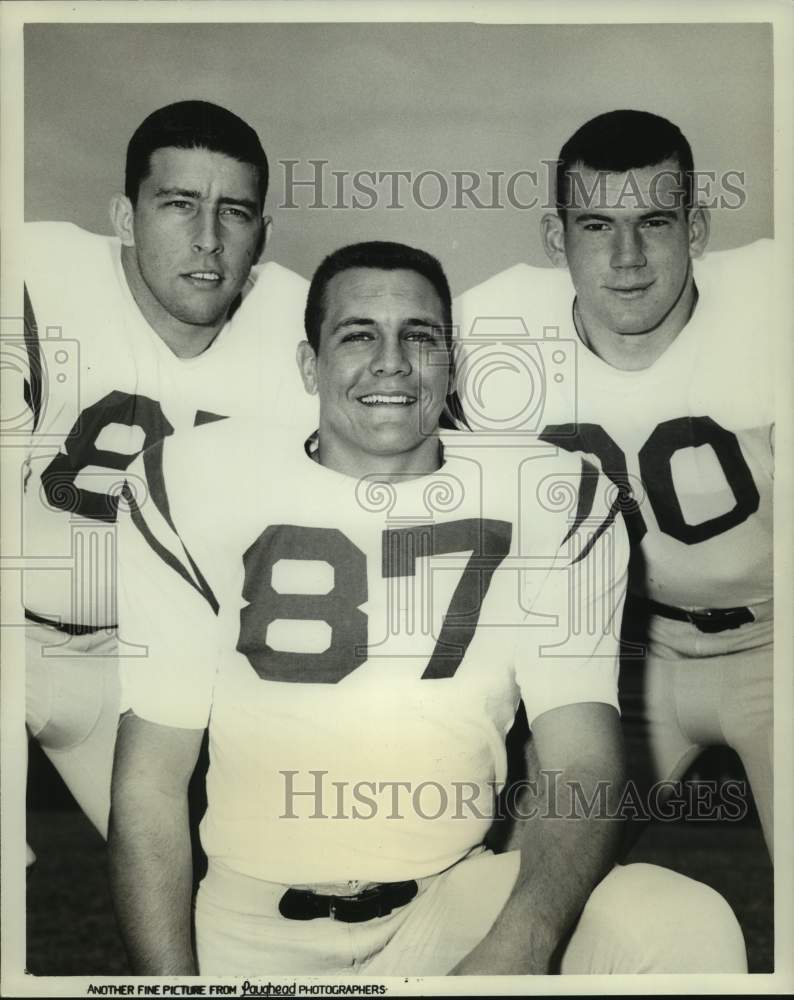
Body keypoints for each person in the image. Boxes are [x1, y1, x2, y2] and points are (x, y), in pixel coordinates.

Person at [109, 240, 746, 976]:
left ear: (452, 364)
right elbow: (150, 779)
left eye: (420, 336)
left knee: (680, 923)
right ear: (309, 366)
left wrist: (514, 950)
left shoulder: (548, 495)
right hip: (250, 921)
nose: (392, 362)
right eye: (358, 335)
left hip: (446, 905)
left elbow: (581, 761)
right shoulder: (194, 479)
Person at [455, 110, 774, 857]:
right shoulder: (487, 328)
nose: (627, 257)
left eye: (654, 222)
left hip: (777, 643)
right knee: (537, 880)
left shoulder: (772, 307)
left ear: (695, 229)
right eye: (597, 225)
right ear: (554, 237)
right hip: (625, 651)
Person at [22, 100, 314, 842]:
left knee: (206, 896)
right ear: (124, 216)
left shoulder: (299, 323)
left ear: (264, 235)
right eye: (179, 204)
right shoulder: (36, 276)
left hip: (141, 659)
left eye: (235, 213)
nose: (208, 240)